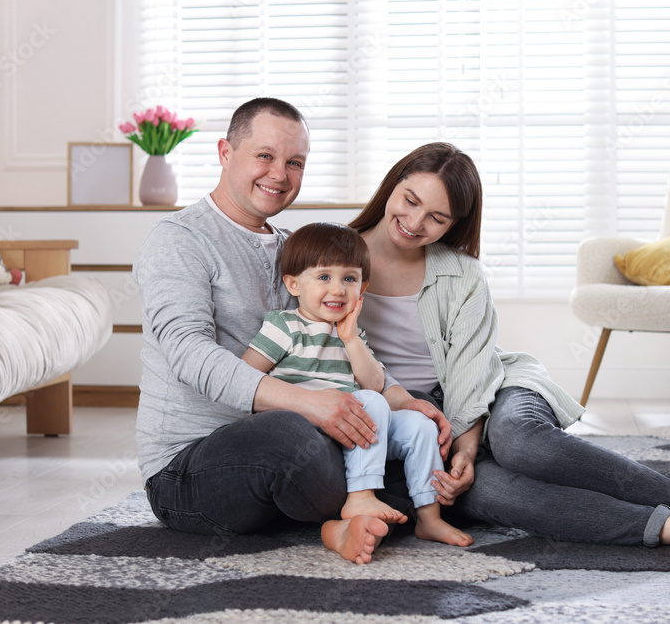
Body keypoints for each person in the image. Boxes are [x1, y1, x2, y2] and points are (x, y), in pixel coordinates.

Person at [352, 142, 670, 558]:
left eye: (437, 218)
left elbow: (472, 371)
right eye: (410, 201)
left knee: (519, 442)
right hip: (414, 422)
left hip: (492, 388)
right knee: (487, 491)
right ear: (393, 184)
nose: (415, 222)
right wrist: (449, 453)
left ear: (453, 224)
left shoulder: (463, 273)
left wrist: (465, 446)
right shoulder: (333, 258)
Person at [133, 98, 450, 565]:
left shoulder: (295, 252)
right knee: (289, 439)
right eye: (264, 155)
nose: (279, 174)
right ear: (225, 152)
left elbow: (339, 344)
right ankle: (362, 500)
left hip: (298, 441)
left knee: (409, 423)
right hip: (190, 466)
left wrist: (404, 400)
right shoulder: (179, 240)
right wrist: (307, 402)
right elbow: (189, 354)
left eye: (294, 162)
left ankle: (356, 514)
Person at [241, 222, 473, 549]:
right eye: (324, 277)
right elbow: (246, 377)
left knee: (420, 425)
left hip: (358, 428)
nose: (338, 290)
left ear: (362, 288)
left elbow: (375, 383)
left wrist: (350, 339)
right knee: (369, 402)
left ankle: (429, 516)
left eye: (349, 279)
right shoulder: (286, 325)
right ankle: (361, 496)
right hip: (311, 428)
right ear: (293, 284)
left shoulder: (354, 334)